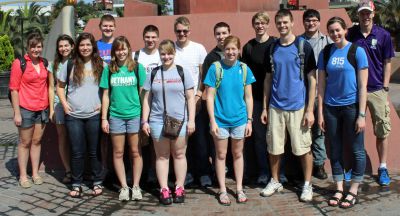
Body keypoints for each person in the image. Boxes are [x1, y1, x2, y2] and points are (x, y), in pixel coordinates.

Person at [260, 9, 317, 202]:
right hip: (276, 106)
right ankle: (275, 180)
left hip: (298, 107)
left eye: (285, 22)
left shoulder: (304, 47)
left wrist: (310, 109)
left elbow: (312, 80)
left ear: (292, 23)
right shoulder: (272, 48)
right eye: (279, 23)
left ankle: (308, 184)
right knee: (274, 147)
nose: (282, 26)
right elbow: (268, 79)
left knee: (303, 148)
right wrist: (264, 107)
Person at [318, 16, 368, 208]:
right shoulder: (325, 52)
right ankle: (339, 188)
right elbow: (321, 84)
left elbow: (363, 85)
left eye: (338, 30)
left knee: (357, 150)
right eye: (331, 31)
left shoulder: (357, 51)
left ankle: (353, 189)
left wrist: (361, 115)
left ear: (345, 30)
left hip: (352, 108)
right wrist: (321, 112)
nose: (335, 34)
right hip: (331, 108)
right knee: (335, 149)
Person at [141, 39, 196, 205]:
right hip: (157, 120)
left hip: (179, 120)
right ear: (159, 54)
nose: (166, 57)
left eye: (169, 53)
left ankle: (179, 186)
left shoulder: (182, 72)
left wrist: (191, 120)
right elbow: (147, 99)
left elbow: (190, 98)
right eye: (163, 54)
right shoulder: (153, 73)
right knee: (162, 156)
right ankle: (164, 188)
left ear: (174, 53)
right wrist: (145, 121)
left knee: (179, 154)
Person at [347, 0, 395, 186]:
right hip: (355, 90)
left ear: (373, 14)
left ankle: (382, 167)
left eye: (368, 13)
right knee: (354, 129)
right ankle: (355, 166)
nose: (365, 16)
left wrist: (385, 86)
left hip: (376, 90)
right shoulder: (351, 34)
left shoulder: (383, 35)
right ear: (358, 15)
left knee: (382, 130)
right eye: (362, 13)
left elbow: (387, 62)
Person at [204, 35, 256, 205]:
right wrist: (212, 120)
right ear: (223, 50)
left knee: (238, 153)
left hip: (240, 120)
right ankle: (223, 189)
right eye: (228, 49)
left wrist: (249, 120)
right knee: (220, 155)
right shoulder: (215, 68)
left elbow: (248, 97)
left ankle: (239, 188)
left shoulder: (244, 69)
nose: (231, 52)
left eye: (234, 49)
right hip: (220, 120)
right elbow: (210, 97)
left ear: (238, 50)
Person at [57, 32, 104, 198]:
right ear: (78, 47)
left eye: (88, 45)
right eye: (82, 45)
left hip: (94, 114)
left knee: (94, 151)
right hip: (74, 115)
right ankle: (76, 184)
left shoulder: (101, 64)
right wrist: (64, 104)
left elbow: (107, 89)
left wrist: (103, 105)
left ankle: (96, 182)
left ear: (93, 47)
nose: (85, 48)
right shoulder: (69, 64)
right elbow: (60, 87)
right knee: (77, 151)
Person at [100, 36, 146, 201]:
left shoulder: (137, 68)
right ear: (114, 51)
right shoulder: (109, 70)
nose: (121, 52)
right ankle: (124, 187)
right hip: (116, 116)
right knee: (118, 152)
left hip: (134, 115)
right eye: (118, 49)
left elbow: (143, 95)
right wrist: (104, 118)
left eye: (124, 48)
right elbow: (106, 95)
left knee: (135, 151)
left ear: (129, 49)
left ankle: (136, 186)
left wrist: (144, 118)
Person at [9, 32, 49, 188]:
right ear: (27, 47)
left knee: (37, 141)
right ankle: (23, 176)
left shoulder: (43, 63)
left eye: (38, 46)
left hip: (42, 108)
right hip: (26, 108)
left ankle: (35, 173)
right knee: (25, 142)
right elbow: (14, 89)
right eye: (33, 46)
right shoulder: (19, 63)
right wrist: (17, 112)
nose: (36, 49)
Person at [241, 11, 276, 185]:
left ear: (268, 24)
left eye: (263, 23)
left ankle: (279, 172)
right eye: (257, 23)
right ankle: (263, 171)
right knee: (260, 138)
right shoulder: (248, 47)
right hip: (255, 98)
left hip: (277, 98)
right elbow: (245, 76)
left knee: (277, 136)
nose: (260, 26)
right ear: (253, 25)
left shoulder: (276, 44)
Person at [196, 21, 231, 187]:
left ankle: (232, 172)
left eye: (224, 33)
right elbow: (207, 86)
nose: (221, 36)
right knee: (214, 144)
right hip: (217, 107)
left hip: (234, 106)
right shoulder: (210, 57)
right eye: (218, 33)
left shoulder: (235, 53)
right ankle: (215, 174)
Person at [173, 16, 207, 186]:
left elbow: (203, 75)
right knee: (180, 143)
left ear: (189, 31)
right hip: (175, 105)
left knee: (199, 141)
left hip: (195, 102)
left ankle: (203, 173)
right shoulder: (170, 49)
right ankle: (185, 175)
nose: (182, 34)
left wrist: (199, 95)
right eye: (178, 31)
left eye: (185, 31)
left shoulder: (198, 49)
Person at [300, 9, 332, 180]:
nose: (310, 23)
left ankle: (319, 164)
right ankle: (303, 166)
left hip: (322, 92)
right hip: (301, 93)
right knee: (302, 130)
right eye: (307, 20)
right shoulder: (297, 41)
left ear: (319, 22)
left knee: (320, 131)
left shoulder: (327, 41)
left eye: (313, 20)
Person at [134, 25, 162, 185]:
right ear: (143, 37)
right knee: (138, 140)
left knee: (156, 142)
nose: (150, 40)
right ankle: (139, 172)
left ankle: (153, 171)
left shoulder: (162, 55)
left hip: (158, 104)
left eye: (153, 37)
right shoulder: (136, 55)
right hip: (139, 103)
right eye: (147, 37)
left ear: (157, 38)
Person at [48, 34, 75, 184]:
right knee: (63, 138)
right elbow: (51, 88)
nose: (63, 48)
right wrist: (51, 109)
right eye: (61, 46)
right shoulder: (54, 65)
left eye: (66, 45)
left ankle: (78, 170)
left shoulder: (78, 62)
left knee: (76, 138)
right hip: (59, 105)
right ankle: (68, 170)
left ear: (72, 46)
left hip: (75, 105)